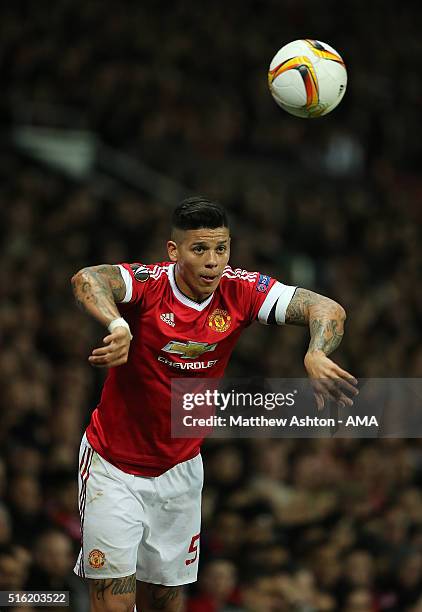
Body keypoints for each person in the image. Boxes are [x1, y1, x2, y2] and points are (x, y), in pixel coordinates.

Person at [71, 196, 357, 612]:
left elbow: (325, 307)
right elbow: (87, 279)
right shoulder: (149, 284)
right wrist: (117, 323)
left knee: (166, 600)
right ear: (174, 251)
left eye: (221, 248)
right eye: (199, 249)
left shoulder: (240, 290)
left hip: (181, 468)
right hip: (113, 467)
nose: (212, 261)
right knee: (113, 601)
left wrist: (316, 351)